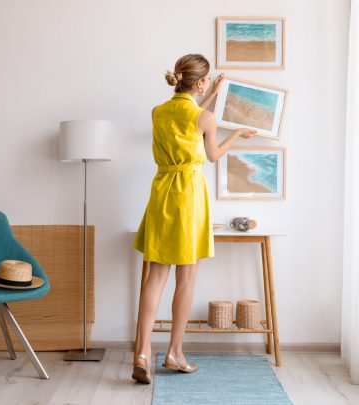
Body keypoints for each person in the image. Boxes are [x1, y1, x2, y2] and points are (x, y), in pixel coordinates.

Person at [131, 54, 257, 384]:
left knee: (155, 277)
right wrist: (237, 134)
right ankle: (175, 352)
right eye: (207, 81)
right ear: (200, 82)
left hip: (161, 192)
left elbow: (185, 114)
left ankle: (142, 353)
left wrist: (211, 93)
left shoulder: (158, 112)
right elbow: (212, 155)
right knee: (186, 279)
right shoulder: (206, 118)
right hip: (188, 196)